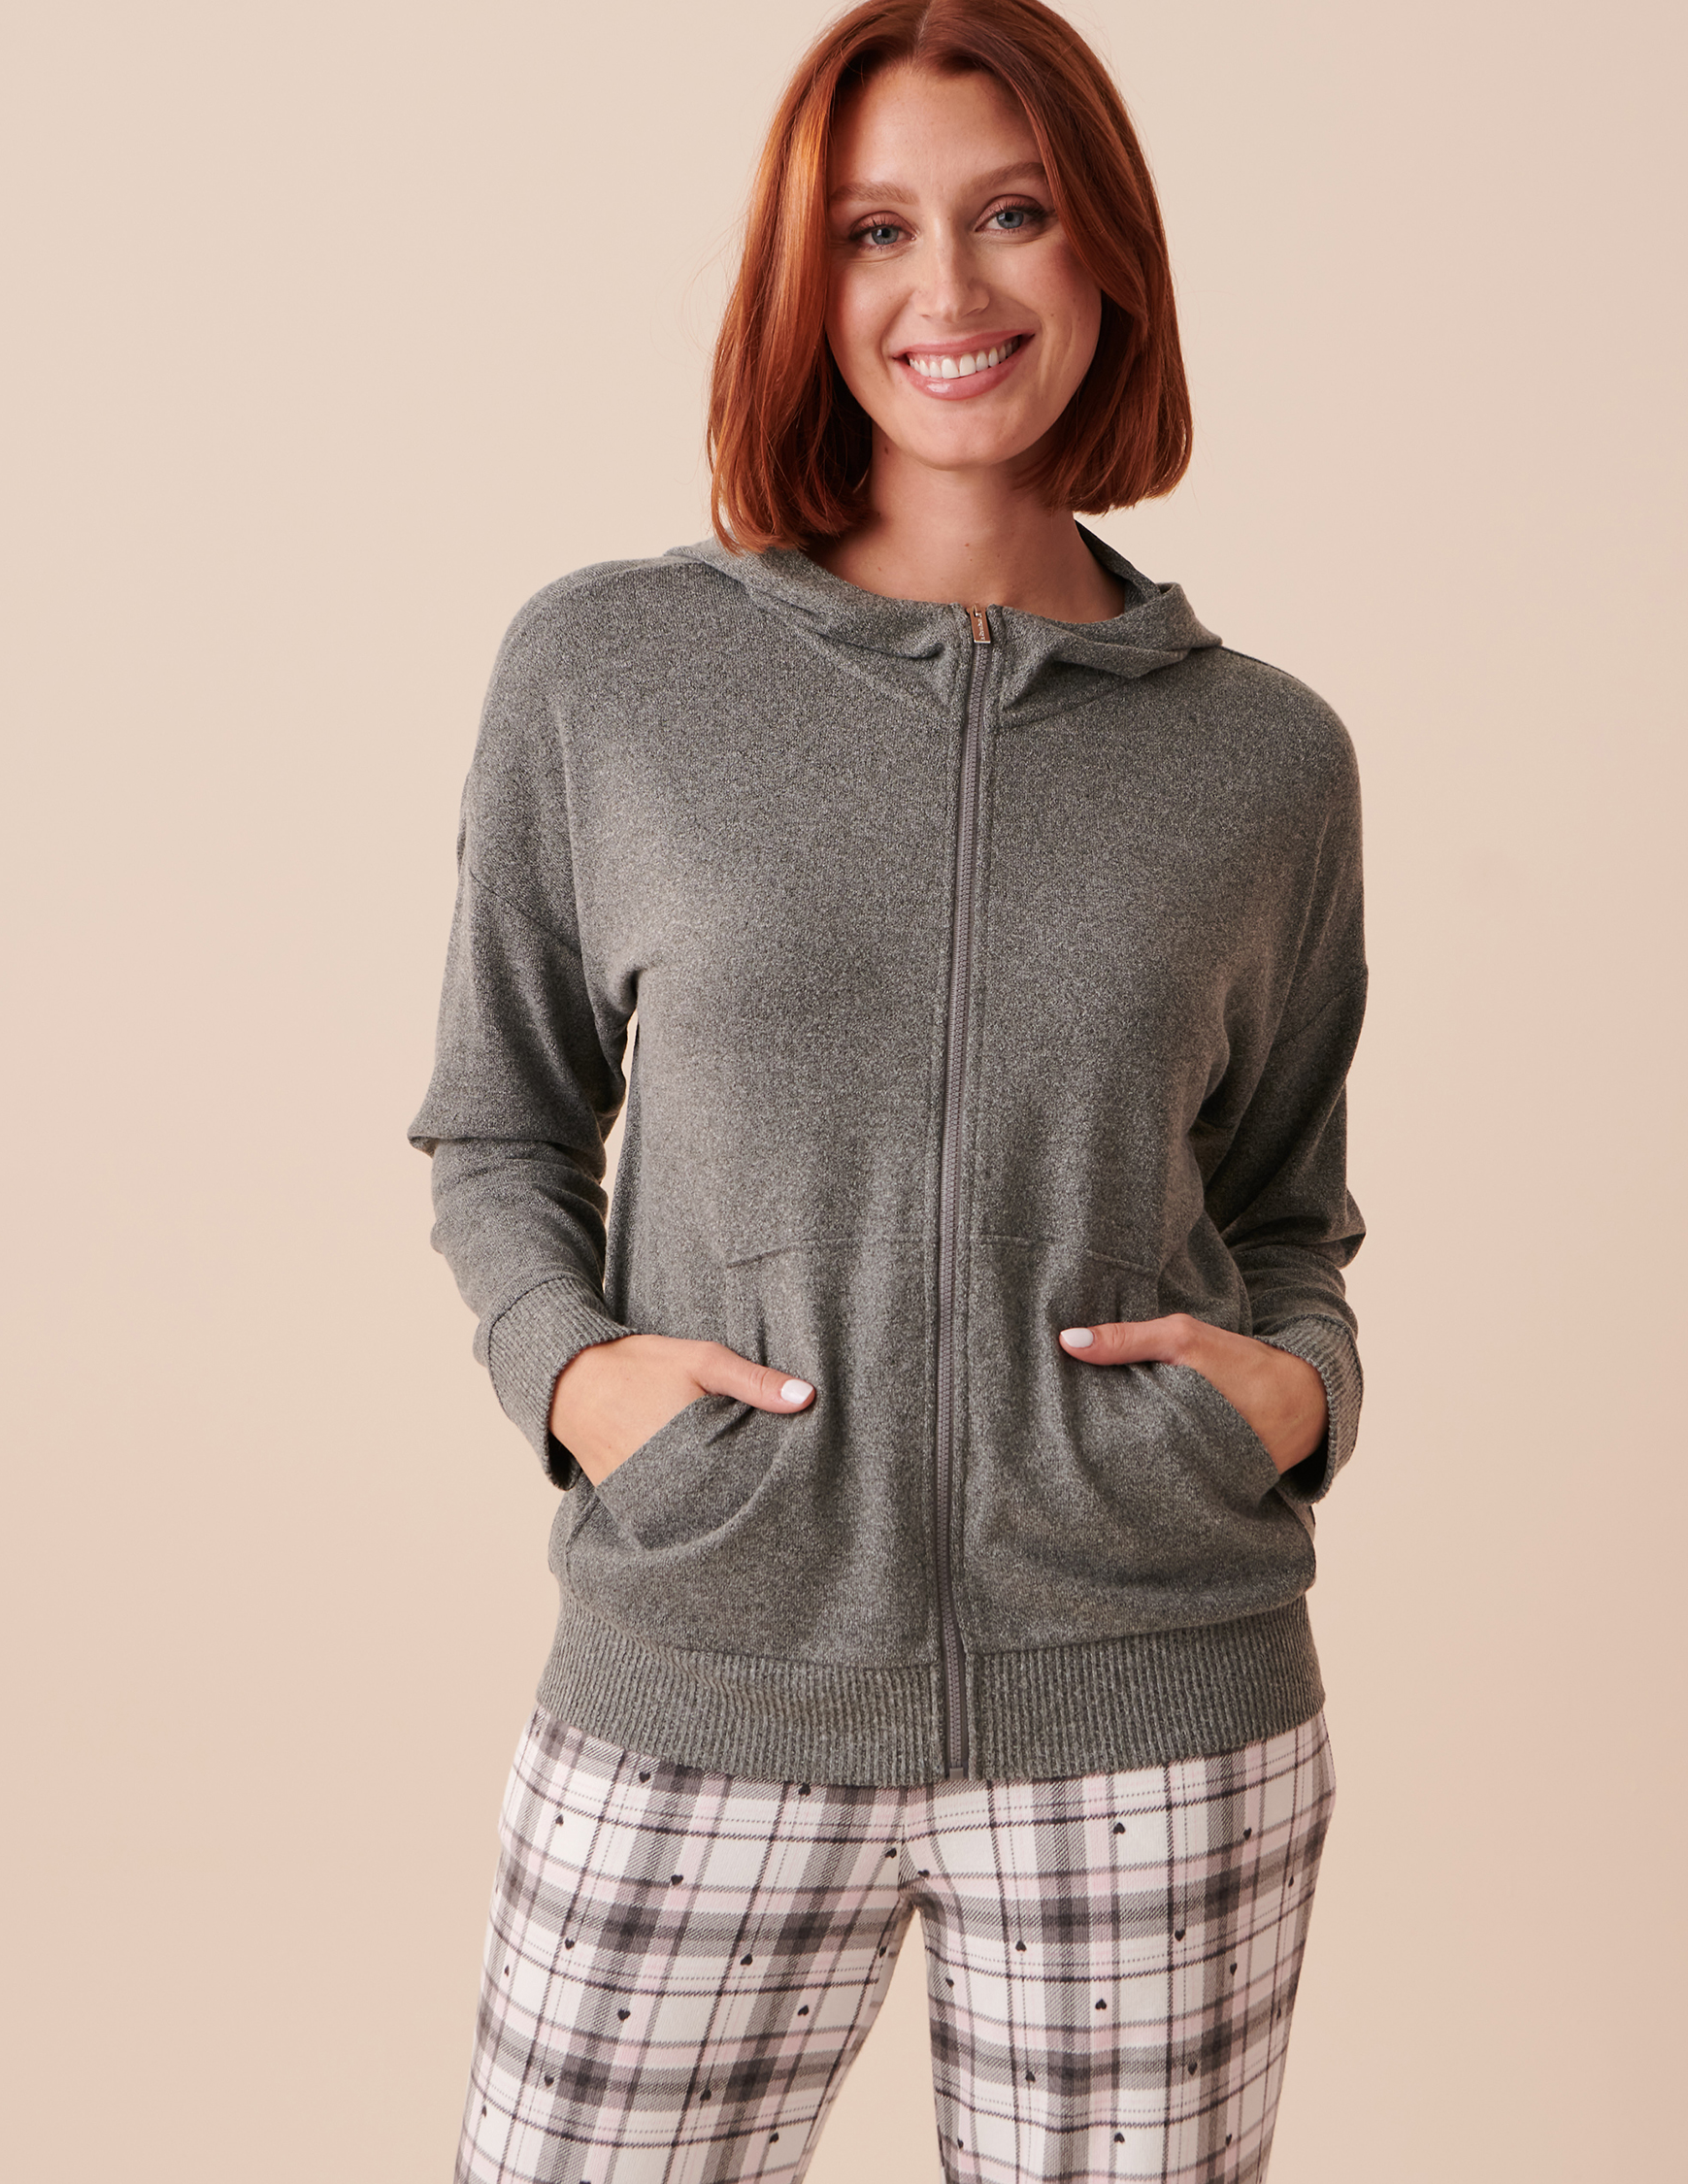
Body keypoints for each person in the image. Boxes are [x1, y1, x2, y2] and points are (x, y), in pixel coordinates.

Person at [409, 2, 1366, 2177]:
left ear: (1103, 250)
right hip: (707, 1660)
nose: (948, 287)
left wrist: (1291, 1395)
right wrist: (583, 1385)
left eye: (1012, 213)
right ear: (806, 278)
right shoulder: (610, 670)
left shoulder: (1267, 756)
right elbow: (499, 1120)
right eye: (875, 230)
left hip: (1153, 1708)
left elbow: (1287, 1203)